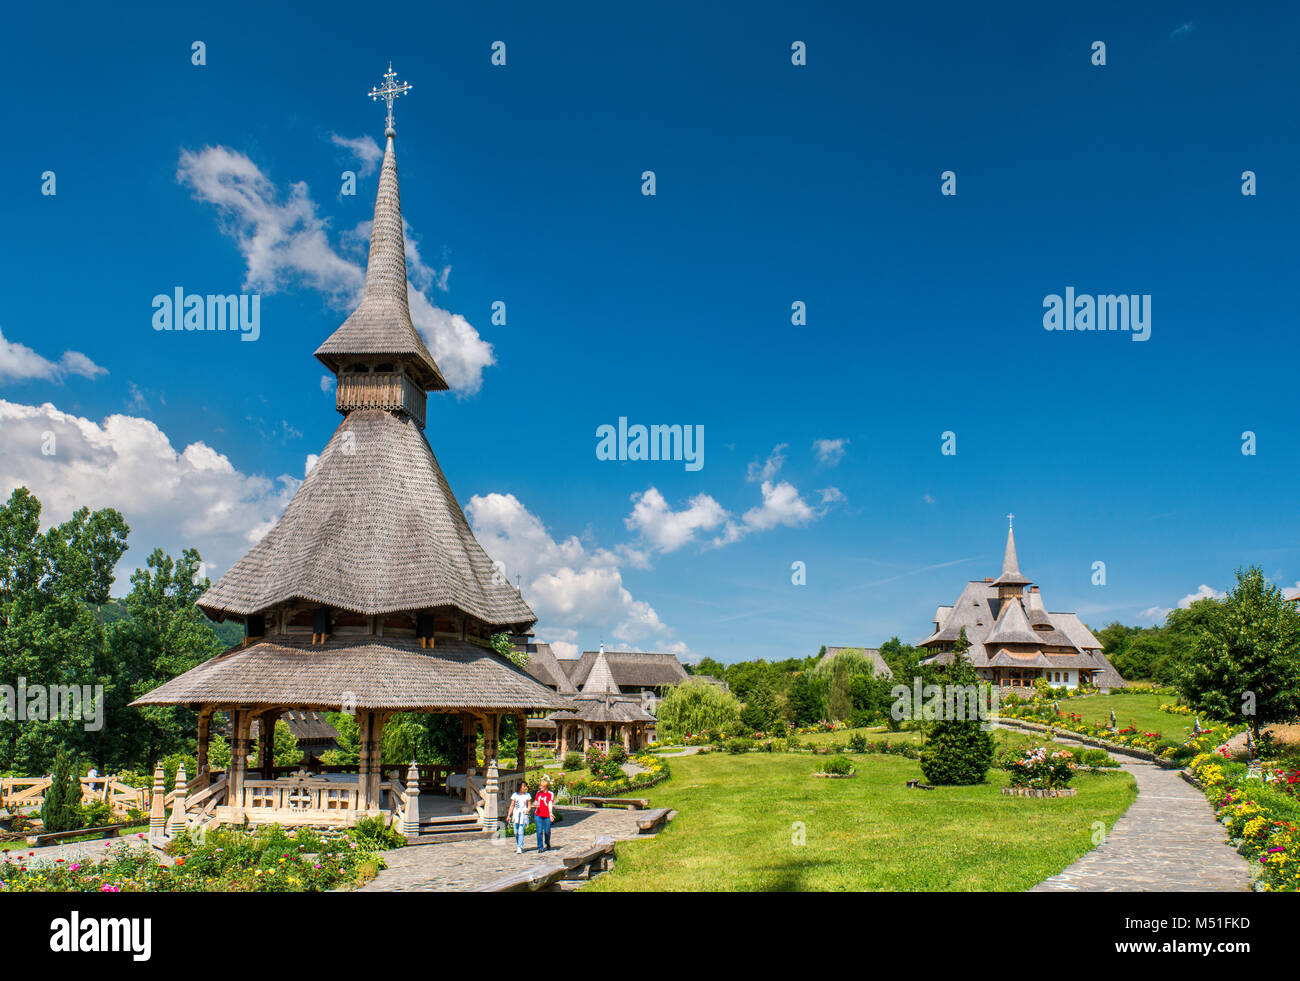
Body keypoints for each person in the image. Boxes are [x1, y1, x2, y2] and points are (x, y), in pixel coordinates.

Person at [508, 780, 532, 854]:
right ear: (520, 787)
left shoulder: (527, 795)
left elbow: (529, 805)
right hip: (516, 814)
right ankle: (520, 842)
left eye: (525, 786)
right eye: (524, 786)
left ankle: (519, 847)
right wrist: (509, 815)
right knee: (516, 831)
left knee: (521, 831)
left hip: (523, 814)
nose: (525, 787)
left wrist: (528, 810)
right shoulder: (515, 795)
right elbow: (512, 805)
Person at [533, 777, 555, 852]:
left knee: (547, 831)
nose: (540, 787)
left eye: (542, 786)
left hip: (546, 815)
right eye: (540, 786)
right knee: (539, 831)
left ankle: (547, 842)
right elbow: (535, 802)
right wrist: (536, 804)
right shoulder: (538, 793)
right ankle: (540, 847)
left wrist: (551, 814)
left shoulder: (550, 794)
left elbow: (550, 804)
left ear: (546, 787)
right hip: (538, 814)